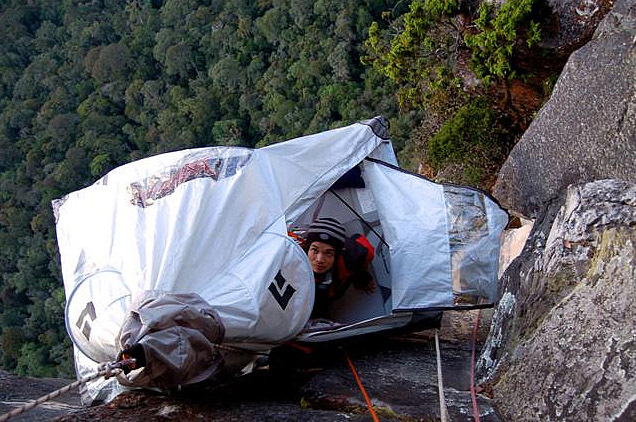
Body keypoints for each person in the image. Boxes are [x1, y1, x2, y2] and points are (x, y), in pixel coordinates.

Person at [304, 217, 375, 319]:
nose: (319, 259)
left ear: (337, 254)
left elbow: (360, 241)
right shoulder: (292, 258)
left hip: (333, 290)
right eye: (315, 250)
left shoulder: (353, 256)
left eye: (328, 253)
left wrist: (361, 275)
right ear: (307, 248)